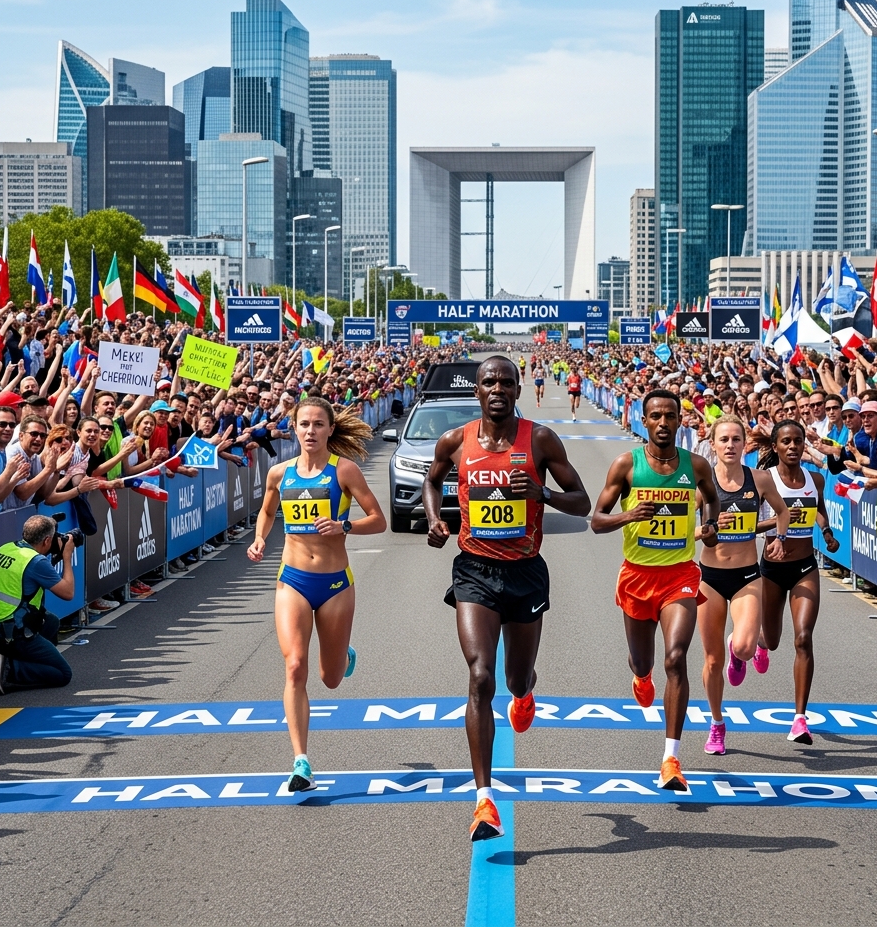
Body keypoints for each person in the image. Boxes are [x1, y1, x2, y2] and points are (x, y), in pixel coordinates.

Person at [422, 356, 590, 842]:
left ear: (518, 389)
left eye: (506, 382)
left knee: (515, 678)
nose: (497, 389)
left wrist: (542, 493)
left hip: (525, 573)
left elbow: (582, 501)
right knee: (480, 675)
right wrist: (435, 520)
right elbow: (432, 481)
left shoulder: (540, 440)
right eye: (489, 382)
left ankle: (525, 691)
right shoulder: (455, 441)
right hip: (474, 569)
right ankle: (484, 801)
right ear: (476, 390)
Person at [247, 398, 386, 792]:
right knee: (295, 666)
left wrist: (345, 526)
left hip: (335, 584)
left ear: (330, 429)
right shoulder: (279, 473)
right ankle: (301, 761)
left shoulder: (344, 471)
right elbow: (267, 512)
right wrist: (259, 539)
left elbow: (378, 520)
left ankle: (342, 654)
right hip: (292, 580)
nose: (310, 431)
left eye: (318, 424)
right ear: (294, 428)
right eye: (304, 424)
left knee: (331, 679)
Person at [591, 389, 720, 792]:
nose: (663, 423)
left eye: (670, 416)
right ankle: (641, 676)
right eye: (656, 416)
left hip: (680, 575)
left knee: (676, 657)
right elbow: (597, 521)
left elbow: (712, 501)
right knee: (642, 661)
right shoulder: (626, 465)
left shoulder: (696, 465)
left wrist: (711, 525)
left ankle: (671, 759)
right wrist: (630, 514)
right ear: (643, 420)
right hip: (637, 576)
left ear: (680, 421)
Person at [696, 415, 791, 754]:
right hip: (709, 578)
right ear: (713, 445)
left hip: (747, 576)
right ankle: (716, 723)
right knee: (712, 661)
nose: (730, 445)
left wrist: (779, 538)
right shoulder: (702, 483)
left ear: (745, 444)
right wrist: (707, 529)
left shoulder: (760, 479)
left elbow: (783, 512)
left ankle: (739, 649)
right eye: (724, 439)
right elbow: (683, 529)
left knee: (746, 647)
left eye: (736, 439)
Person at [756, 420, 840, 745]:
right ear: (775, 446)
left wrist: (827, 532)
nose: (793, 446)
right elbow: (749, 526)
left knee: (803, 638)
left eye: (798, 441)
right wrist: (779, 521)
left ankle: (799, 719)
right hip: (772, 569)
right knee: (772, 640)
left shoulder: (815, 479)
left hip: (805, 567)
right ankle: (752, 644)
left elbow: (819, 510)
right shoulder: (764, 480)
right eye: (786, 441)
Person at [0, 514, 75, 694]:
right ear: (47, 540)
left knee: (51, 622)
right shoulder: (36, 562)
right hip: (12, 632)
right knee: (63, 674)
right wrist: (67, 556)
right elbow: (68, 593)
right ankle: (9, 669)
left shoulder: (6, 548)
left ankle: (3, 657)